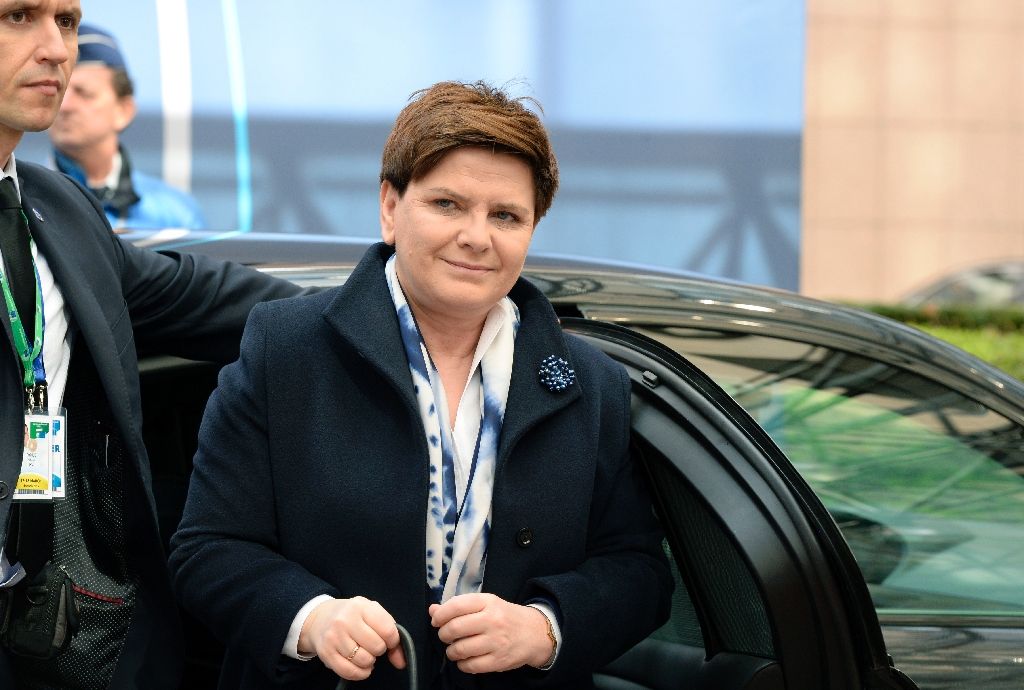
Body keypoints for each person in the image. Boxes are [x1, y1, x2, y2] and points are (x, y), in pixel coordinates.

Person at [169, 80, 673, 689]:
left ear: (531, 229)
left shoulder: (590, 385)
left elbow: (639, 573)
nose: (476, 236)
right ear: (390, 207)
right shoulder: (285, 348)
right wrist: (312, 618)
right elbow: (207, 549)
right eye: (447, 205)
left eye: (506, 216)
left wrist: (544, 628)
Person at [0, 3, 304, 688]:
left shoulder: (60, 206)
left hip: (67, 626)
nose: (56, 49)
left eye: (68, 21)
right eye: (20, 16)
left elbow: (201, 297)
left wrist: (394, 304)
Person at [48, 23, 205, 230]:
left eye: (84, 93)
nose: (64, 105)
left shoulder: (175, 215)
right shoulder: (18, 202)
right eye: (57, 90)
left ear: (124, 110)